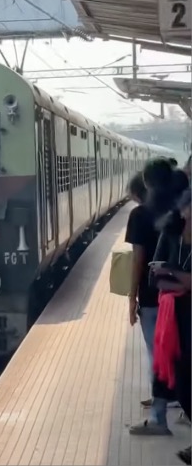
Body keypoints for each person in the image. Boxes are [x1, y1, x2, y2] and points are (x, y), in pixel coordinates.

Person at [124, 172, 171, 435]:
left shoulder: (140, 215)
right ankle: (168, 400)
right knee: (175, 353)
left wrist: (132, 297)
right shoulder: (178, 212)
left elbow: (138, 259)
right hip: (178, 294)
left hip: (153, 296)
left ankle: (158, 417)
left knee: (158, 354)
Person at [151, 189, 192, 464]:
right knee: (182, 385)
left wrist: (173, 274)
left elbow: (168, 276)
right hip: (175, 319)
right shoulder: (170, 236)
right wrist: (179, 279)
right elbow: (155, 278)